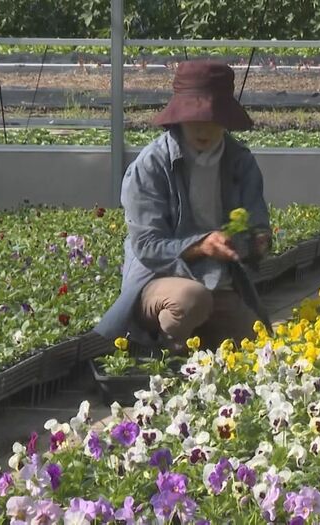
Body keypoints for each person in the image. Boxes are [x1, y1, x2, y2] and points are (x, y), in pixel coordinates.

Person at [95, 60, 272, 352]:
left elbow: (257, 226)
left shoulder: (240, 161)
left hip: (219, 283)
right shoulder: (151, 164)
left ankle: (199, 345)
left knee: (258, 348)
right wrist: (202, 246)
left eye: (212, 117)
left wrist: (257, 242)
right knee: (191, 299)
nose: (203, 127)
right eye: (194, 117)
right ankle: (163, 356)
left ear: (225, 118)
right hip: (160, 281)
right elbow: (148, 246)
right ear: (179, 116)